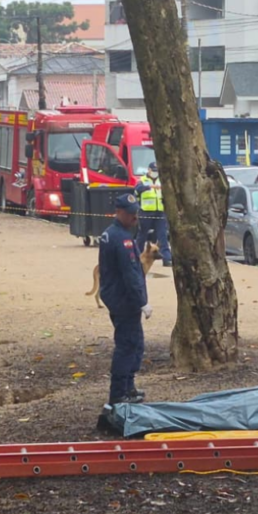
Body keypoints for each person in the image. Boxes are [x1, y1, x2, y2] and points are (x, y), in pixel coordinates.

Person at [99, 193, 153, 404]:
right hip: (124, 300)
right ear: (119, 212)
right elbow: (130, 274)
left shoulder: (115, 233)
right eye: (131, 214)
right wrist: (142, 301)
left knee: (136, 344)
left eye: (136, 214)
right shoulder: (121, 238)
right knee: (127, 345)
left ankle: (128, 387)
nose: (135, 218)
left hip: (119, 297)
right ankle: (118, 393)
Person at [135, 162, 173, 267]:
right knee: (142, 236)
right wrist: (149, 187)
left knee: (163, 236)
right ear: (149, 170)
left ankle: (166, 258)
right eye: (154, 171)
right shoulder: (142, 180)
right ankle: (136, 257)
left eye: (157, 171)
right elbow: (136, 191)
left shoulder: (161, 180)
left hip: (159, 212)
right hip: (145, 212)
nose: (155, 173)